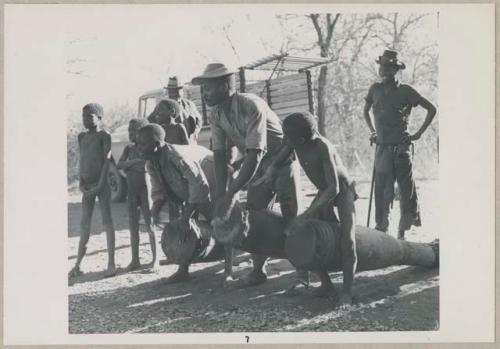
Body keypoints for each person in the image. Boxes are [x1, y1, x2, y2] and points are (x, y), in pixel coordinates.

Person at [192, 63, 306, 288]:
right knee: (253, 217)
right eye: (203, 89)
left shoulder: (251, 105)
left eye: (208, 89)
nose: (204, 94)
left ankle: (303, 273)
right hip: (256, 163)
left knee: (291, 217)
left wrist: (231, 194)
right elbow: (220, 155)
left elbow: (255, 154)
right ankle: (258, 270)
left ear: (225, 86)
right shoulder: (215, 114)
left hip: (281, 160)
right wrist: (222, 193)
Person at [256, 112, 358, 308]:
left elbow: (334, 188)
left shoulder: (322, 147)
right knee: (312, 237)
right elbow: (279, 159)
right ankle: (326, 285)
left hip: (342, 190)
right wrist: (269, 173)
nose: (284, 139)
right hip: (324, 190)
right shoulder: (294, 142)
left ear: (301, 139)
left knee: (348, 241)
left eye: (287, 136)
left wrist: (308, 213)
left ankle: (346, 292)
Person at [137, 124, 234, 284]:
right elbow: (159, 192)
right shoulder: (151, 162)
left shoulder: (177, 156)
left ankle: (228, 271)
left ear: (157, 145)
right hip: (193, 187)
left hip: (214, 176)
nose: (138, 148)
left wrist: (187, 216)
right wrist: (153, 214)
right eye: (137, 144)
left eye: (143, 144)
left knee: (220, 221)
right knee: (185, 227)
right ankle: (183, 271)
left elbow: (200, 186)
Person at [363, 50, 437, 239]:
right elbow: (365, 111)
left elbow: (431, 109)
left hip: (402, 149)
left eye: (389, 67)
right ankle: (382, 230)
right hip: (382, 148)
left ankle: (402, 232)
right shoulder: (375, 89)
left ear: (397, 70)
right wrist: (373, 132)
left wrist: (418, 134)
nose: (385, 70)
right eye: (382, 66)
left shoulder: (406, 91)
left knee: (405, 191)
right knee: (382, 190)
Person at [69, 103, 116, 278]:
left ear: (99, 118)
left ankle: (111, 263)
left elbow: (106, 162)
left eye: (90, 116)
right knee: (84, 225)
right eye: (83, 116)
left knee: (107, 221)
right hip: (87, 186)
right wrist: (81, 183)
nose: (85, 120)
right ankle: (78, 264)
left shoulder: (104, 136)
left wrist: (100, 184)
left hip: (101, 185)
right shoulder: (82, 137)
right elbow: (82, 160)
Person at [117, 118, 157, 271]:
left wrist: (130, 165)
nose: (130, 133)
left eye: (133, 131)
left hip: (145, 189)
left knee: (150, 223)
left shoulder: (146, 148)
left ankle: (155, 259)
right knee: (133, 225)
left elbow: (144, 165)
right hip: (132, 190)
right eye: (129, 130)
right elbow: (120, 164)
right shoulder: (129, 149)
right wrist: (134, 163)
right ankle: (135, 259)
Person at [165, 76, 203, 142]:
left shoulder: (190, 105)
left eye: (176, 90)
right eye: (171, 91)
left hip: (190, 144)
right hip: (174, 146)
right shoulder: (164, 107)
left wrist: (195, 133)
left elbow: (199, 120)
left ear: (182, 91)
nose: (173, 93)